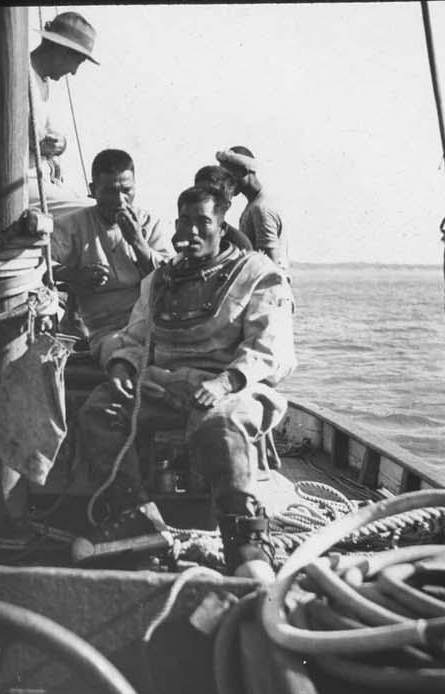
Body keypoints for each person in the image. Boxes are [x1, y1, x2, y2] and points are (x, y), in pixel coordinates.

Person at [74, 185, 296, 575]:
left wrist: (225, 383)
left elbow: (271, 350)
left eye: (203, 223)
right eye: (185, 223)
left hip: (234, 387)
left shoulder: (258, 274)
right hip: (166, 386)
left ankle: (243, 540)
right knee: (100, 408)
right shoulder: (159, 280)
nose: (191, 232)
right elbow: (135, 335)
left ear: (222, 226)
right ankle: (138, 519)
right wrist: (122, 364)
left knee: (220, 423)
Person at [51, 149, 173, 359]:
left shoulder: (149, 223)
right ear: (92, 190)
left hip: (151, 322)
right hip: (104, 330)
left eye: (127, 190)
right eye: (109, 191)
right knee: (122, 355)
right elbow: (38, 265)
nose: (120, 200)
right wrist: (73, 275)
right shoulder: (72, 225)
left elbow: (169, 279)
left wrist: (137, 242)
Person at [27, 11, 100, 218]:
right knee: (97, 213)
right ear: (62, 51)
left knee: (98, 206)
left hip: (43, 180)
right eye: (78, 62)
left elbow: (46, 134)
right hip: (21, 184)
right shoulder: (19, 73)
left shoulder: (41, 79)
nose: (75, 72)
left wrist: (61, 144)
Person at [216, 146, 290, 274]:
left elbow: (270, 266)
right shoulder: (256, 205)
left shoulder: (261, 209)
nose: (225, 184)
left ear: (244, 171)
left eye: (229, 177)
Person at [192, 165, 255, 254]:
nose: (204, 199)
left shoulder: (239, 244)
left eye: (213, 195)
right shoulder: (185, 233)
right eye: (200, 192)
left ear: (226, 205)